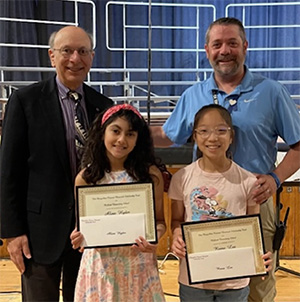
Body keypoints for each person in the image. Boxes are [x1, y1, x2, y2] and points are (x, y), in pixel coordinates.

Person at [151, 17, 300, 302]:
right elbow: (168, 135)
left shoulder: (272, 92)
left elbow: (298, 146)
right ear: (206, 50)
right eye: (217, 44)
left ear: (245, 47)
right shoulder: (193, 95)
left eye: (232, 43)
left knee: (258, 285)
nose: (225, 50)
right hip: (205, 204)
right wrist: (125, 133)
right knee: (207, 285)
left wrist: (276, 177)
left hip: (257, 200)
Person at [0, 26, 113, 301]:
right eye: (67, 51)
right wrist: (12, 233)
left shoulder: (104, 105)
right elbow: (7, 171)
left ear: (92, 57)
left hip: (90, 232)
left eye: (83, 51)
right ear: (52, 57)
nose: (75, 58)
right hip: (39, 234)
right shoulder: (25, 101)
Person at [169, 104, 272, 302]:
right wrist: (176, 236)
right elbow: (176, 219)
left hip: (234, 282)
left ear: (231, 136)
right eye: (204, 131)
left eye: (221, 131)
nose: (213, 138)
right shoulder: (181, 178)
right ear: (195, 136)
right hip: (193, 279)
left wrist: (258, 256)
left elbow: (253, 229)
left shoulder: (248, 181)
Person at [70, 104, 166, 302]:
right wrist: (78, 236)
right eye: (116, 131)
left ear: (138, 139)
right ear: (102, 132)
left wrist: (154, 238)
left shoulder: (149, 175)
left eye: (130, 134)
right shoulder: (86, 178)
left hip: (138, 265)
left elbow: (160, 222)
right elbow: (82, 226)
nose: (122, 139)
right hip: (99, 269)